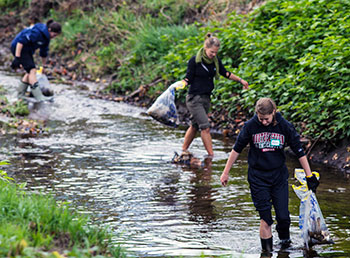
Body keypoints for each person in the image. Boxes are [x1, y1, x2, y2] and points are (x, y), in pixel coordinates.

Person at [220, 97, 319, 254]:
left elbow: (299, 150)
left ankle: (285, 248)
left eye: (266, 119)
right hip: (258, 177)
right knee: (266, 219)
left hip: (278, 176)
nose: (264, 122)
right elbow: (237, 149)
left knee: (284, 217)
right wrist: (225, 172)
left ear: (274, 112)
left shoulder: (284, 126)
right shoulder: (251, 126)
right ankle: (266, 252)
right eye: (261, 119)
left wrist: (309, 176)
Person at [180, 33, 249, 157]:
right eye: (212, 52)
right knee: (205, 127)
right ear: (205, 48)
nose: (213, 55)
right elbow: (188, 77)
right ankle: (211, 156)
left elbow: (225, 73)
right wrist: (183, 83)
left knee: (194, 126)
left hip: (206, 98)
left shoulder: (215, 62)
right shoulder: (195, 61)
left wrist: (241, 80)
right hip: (194, 99)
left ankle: (184, 149)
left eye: (216, 52)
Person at [10, 19, 61, 101]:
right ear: (49, 30)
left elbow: (43, 52)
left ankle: (20, 94)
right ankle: (39, 96)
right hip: (18, 48)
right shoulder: (37, 33)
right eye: (54, 35)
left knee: (29, 72)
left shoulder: (46, 38)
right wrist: (17, 58)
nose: (53, 37)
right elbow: (20, 42)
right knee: (32, 71)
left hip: (27, 50)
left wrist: (43, 66)